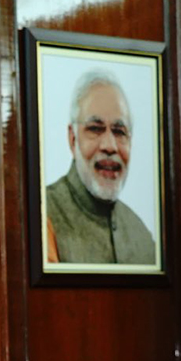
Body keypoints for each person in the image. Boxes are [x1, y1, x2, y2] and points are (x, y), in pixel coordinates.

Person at [44, 69, 157, 265]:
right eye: (95, 129)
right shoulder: (44, 215)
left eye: (119, 131)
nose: (110, 146)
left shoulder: (141, 236)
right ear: (72, 139)